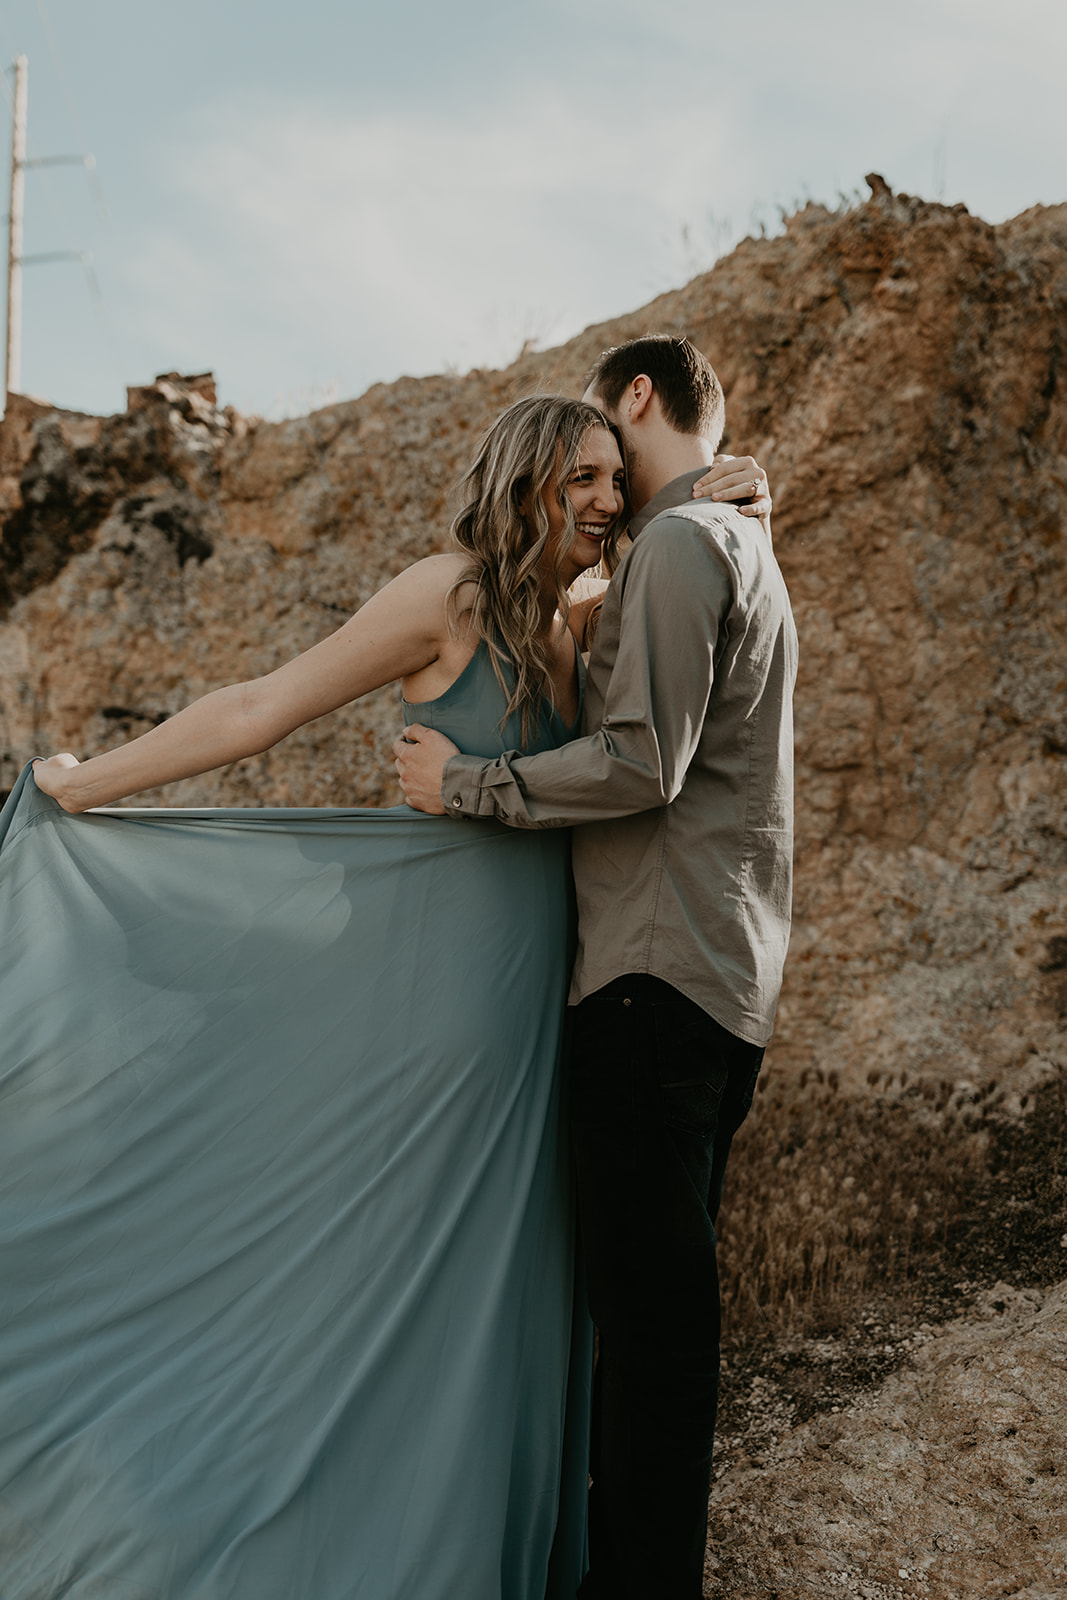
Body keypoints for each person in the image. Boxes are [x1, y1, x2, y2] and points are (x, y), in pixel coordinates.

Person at [1, 389, 769, 1600]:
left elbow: (681, 621)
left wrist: (730, 487)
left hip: (533, 1010)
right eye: (579, 480)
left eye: (613, 486)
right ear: (521, 478)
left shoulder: (571, 618)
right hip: (437, 991)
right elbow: (262, 705)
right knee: (397, 1262)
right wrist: (91, 784)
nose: (602, 504)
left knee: (500, 1281)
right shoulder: (447, 595)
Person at [395, 336, 798, 1600]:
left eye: (600, 443)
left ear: (634, 398)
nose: (598, 483)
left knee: (651, 1344)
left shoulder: (686, 545)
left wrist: (465, 782)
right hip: (712, 981)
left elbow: (639, 762)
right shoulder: (728, 540)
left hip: (648, 985)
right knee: (643, 1327)